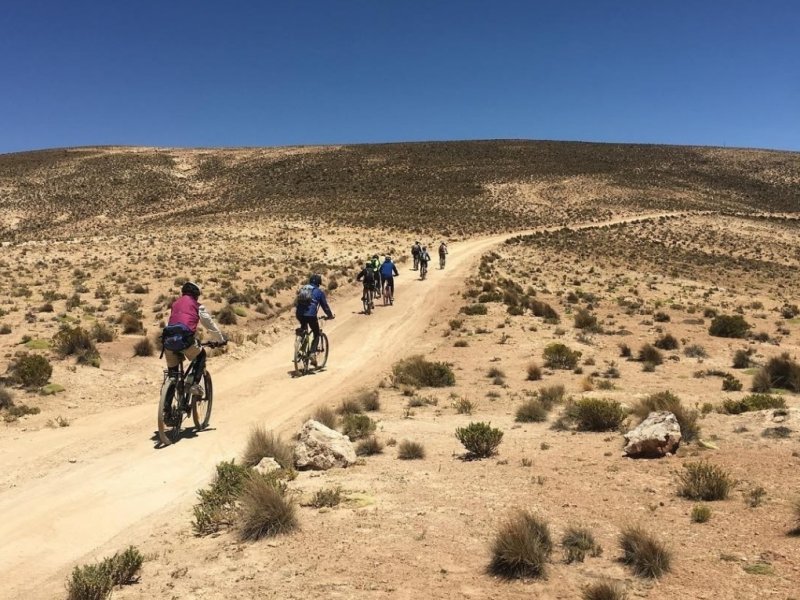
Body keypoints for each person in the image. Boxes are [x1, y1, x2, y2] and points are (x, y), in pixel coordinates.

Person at [161, 282, 226, 402]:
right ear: (196, 294)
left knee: (173, 375)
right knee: (201, 355)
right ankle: (194, 384)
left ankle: (167, 410)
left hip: (168, 342)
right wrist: (220, 340)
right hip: (185, 341)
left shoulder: (175, 304)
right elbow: (210, 325)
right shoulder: (197, 306)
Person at [296, 273, 334, 366]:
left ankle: (300, 347)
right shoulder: (319, 292)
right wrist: (330, 315)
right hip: (311, 315)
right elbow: (325, 307)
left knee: (304, 328)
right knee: (316, 333)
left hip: (299, 314)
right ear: (318, 283)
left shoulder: (303, 289)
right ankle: (312, 353)